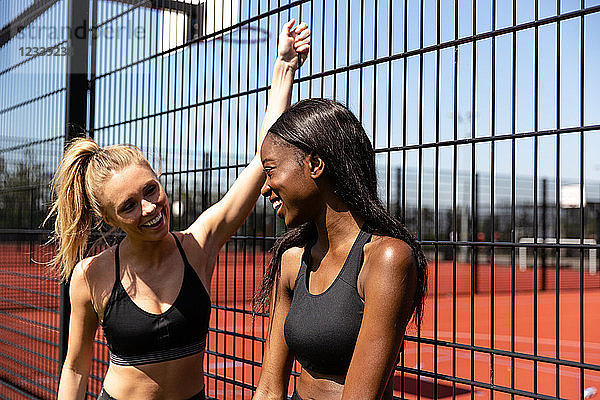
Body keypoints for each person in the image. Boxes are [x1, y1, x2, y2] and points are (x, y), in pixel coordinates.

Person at [48, 20, 310, 400]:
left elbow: (260, 160)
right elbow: (74, 368)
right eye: (129, 206)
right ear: (109, 218)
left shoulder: (198, 244)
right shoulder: (91, 275)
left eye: (151, 189)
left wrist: (284, 67)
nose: (150, 207)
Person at [252, 98, 428, 400]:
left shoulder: (386, 258)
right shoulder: (292, 260)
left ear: (315, 165)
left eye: (270, 171)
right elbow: (269, 389)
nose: (265, 188)